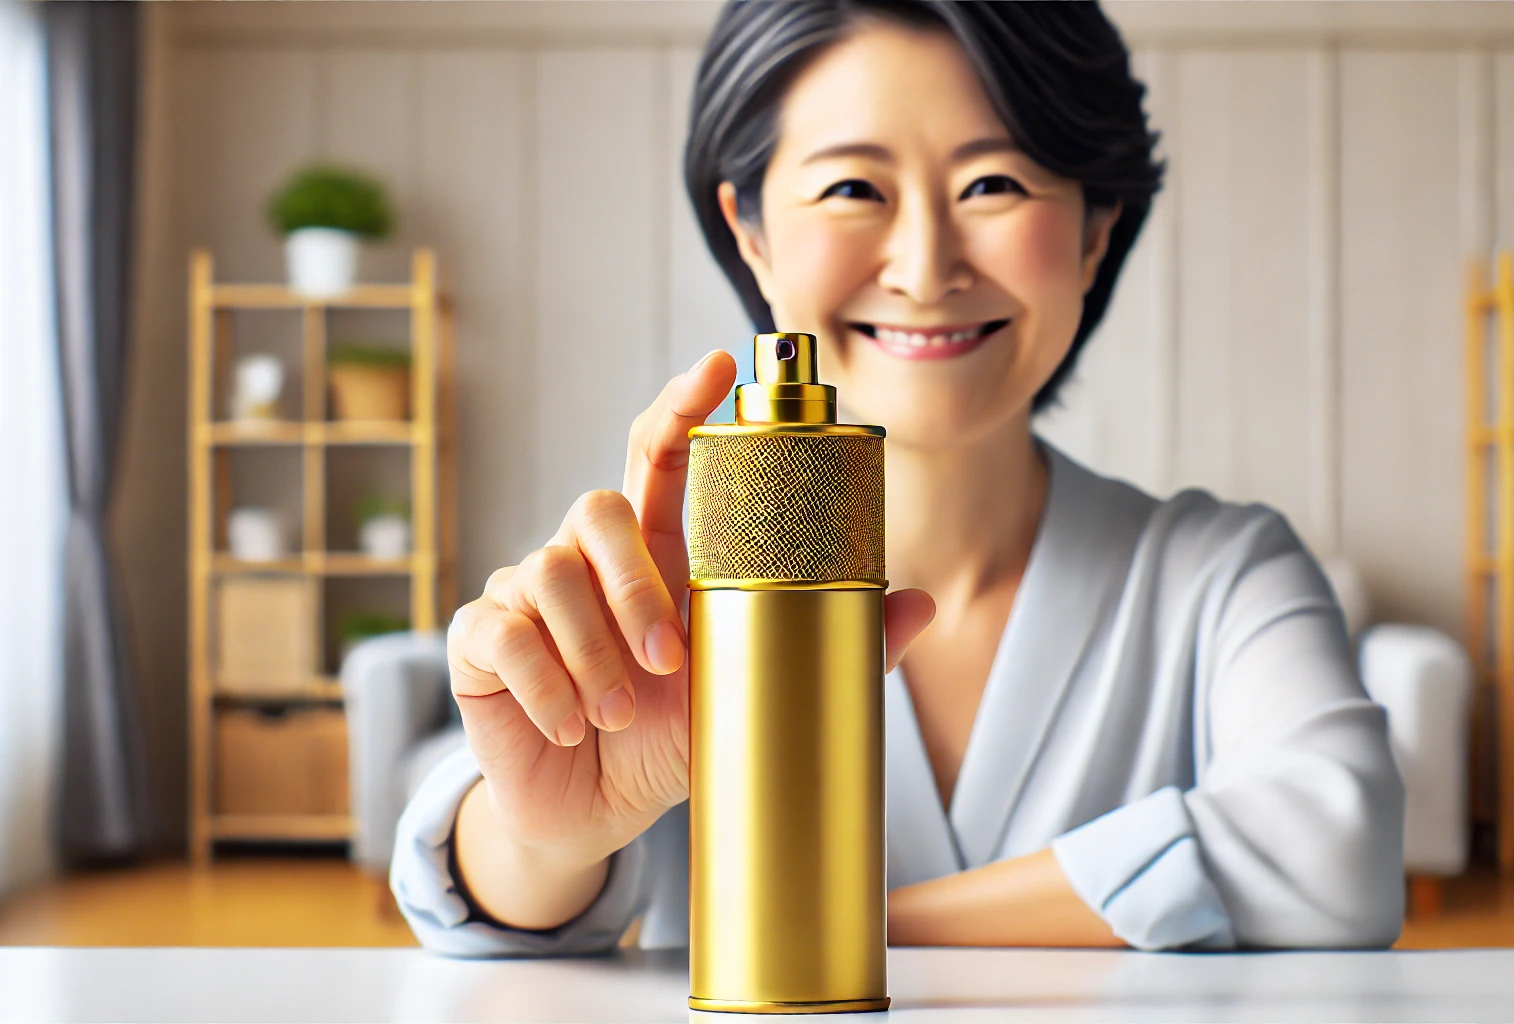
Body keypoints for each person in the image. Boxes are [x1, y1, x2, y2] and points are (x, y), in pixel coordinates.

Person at [393, 0, 1404, 955]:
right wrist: (549, 837)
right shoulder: (658, 604)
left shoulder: (1223, 574)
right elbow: (484, 895)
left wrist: (829, 941)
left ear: (1095, 229)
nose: (926, 268)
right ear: (751, 233)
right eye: (851, 188)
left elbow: (1337, 850)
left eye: (993, 184)